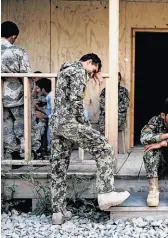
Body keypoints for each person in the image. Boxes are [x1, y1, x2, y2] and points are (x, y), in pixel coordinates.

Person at [49, 53, 130, 225]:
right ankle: (106, 193)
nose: (93, 74)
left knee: (58, 168)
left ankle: (58, 212)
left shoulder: (65, 70)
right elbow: (76, 102)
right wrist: (85, 126)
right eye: (94, 69)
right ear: (89, 62)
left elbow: (69, 94)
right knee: (104, 148)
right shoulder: (79, 72)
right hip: (69, 122)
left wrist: (93, 74)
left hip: (56, 123)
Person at [1, 21, 41, 160]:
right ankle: (30, 153)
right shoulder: (18, 51)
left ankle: (14, 155)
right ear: (13, 36)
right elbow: (26, 74)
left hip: (1, 96)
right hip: (17, 95)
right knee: (23, 123)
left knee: (6, 125)